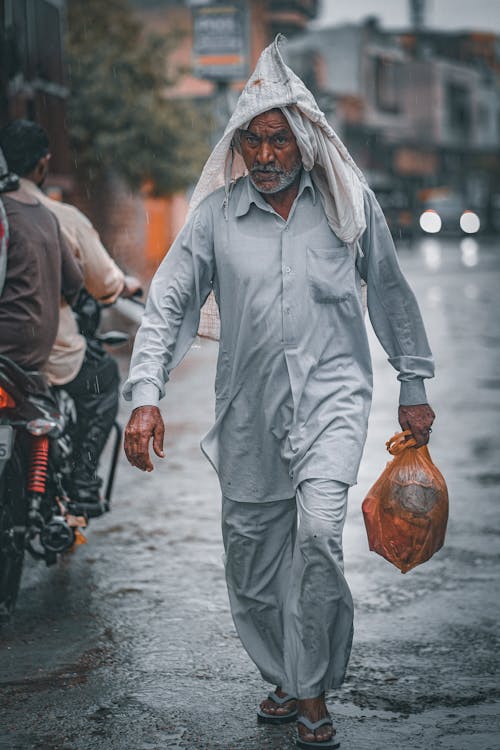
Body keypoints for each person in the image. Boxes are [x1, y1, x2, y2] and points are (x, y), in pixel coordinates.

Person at [122, 37, 435, 749]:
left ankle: (314, 689)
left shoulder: (349, 210)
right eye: (253, 141)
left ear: (307, 144)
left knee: (321, 537)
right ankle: (283, 673)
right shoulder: (213, 220)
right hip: (248, 413)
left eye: (279, 142)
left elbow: (389, 292)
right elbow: (168, 305)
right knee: (253, 561)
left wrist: (412, 383)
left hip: (334, 405)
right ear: (238, 146)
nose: (265, 156)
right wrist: (145, 394)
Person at [0, 120, 141, 517]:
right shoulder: (52, 216)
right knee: (104, 381)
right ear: (43, 164)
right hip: (46, 352)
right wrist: (124, 285)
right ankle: (82, 481)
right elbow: (94, 282)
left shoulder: (10, 211)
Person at [0, 148, 83, 372]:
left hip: (7, 350)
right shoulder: (45, 214)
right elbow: (74, 282)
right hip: (38, 352)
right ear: (42, 164)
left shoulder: (6, 211)